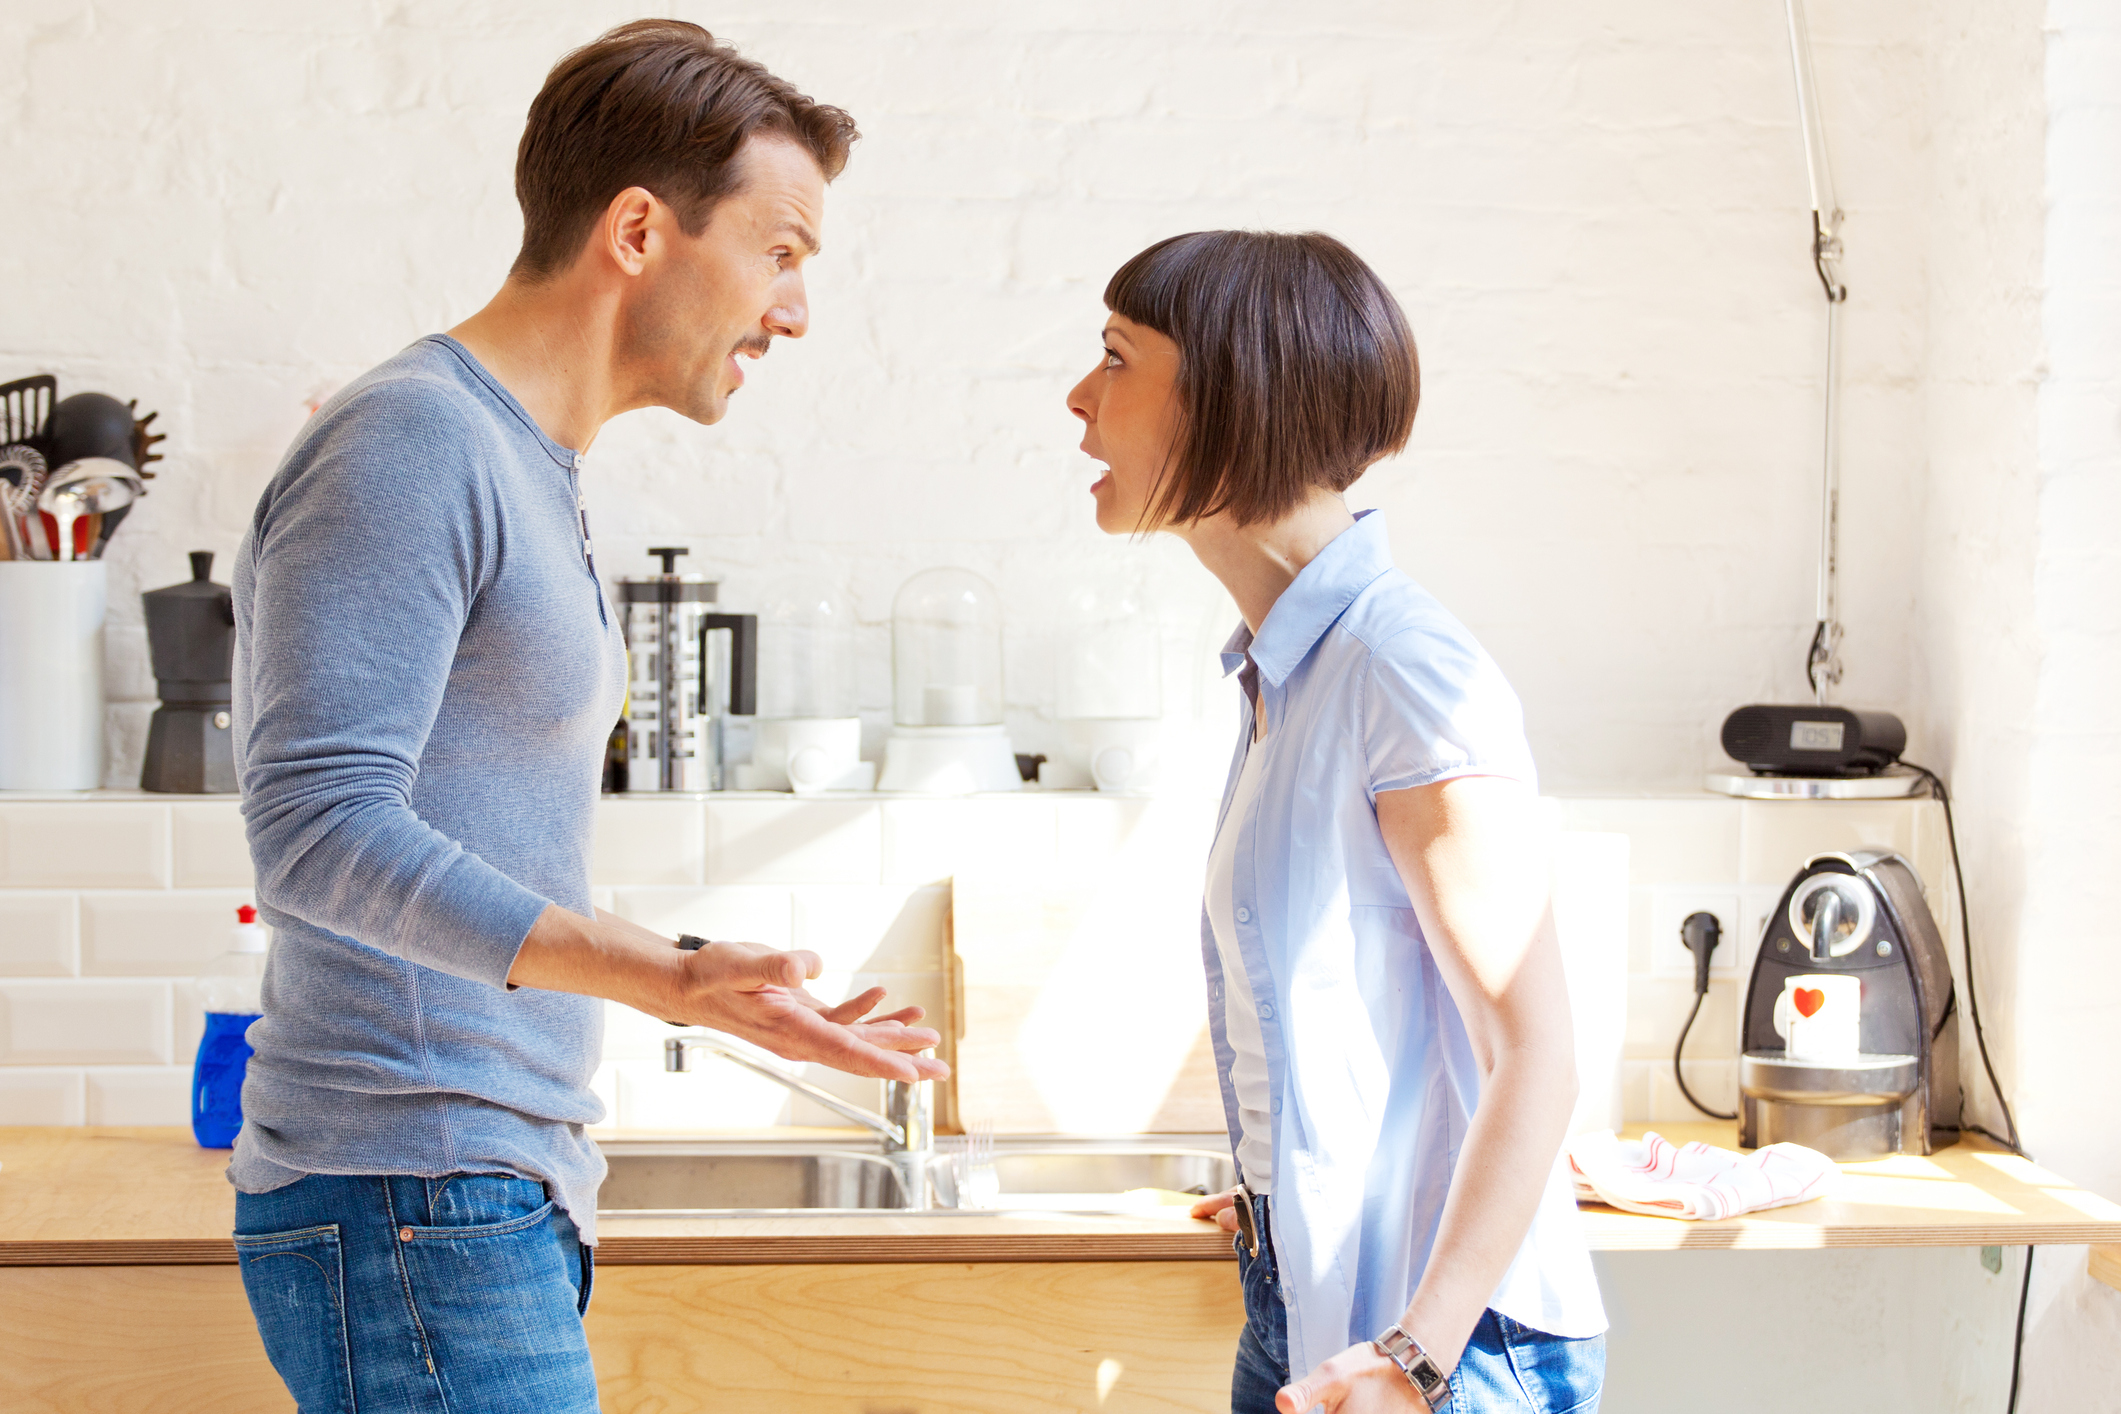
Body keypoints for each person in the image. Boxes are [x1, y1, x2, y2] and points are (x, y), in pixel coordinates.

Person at [228, 21, 945, 1411]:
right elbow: (315, 832)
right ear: (636, 229)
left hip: (462, 1190)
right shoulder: (414, 439)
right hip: (412, 1181)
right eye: (780, 250)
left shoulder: (518, 458)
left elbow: (466, 816)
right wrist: (656, 976)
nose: (793, 310)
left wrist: (701, 977)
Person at [1066, 231, 1606, 1413]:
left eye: (1116, 359)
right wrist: (1275, 1182)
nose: (1079, 398)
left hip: (1437, 1350)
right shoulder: (1291, 677)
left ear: (1227, 400)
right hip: (1317, 1304)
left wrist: (1418, 1355)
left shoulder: (1404, 672)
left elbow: (1538, 1052)